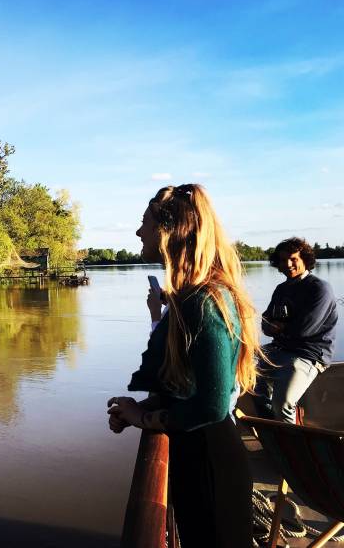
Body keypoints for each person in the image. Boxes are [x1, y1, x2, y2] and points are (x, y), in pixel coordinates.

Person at [107, 184, 259, 548]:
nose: (138, 232)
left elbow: (211, 403)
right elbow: (187, 386)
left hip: (210, 462)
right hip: (201, 454)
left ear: (168, 231)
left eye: (144, 223)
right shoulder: (195, 295)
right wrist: (139, 409)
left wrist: (142, 419)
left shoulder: (203, 300)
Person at [254, 237, 338, 423]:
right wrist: (276, 327)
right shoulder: (281, 289)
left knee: (282, 403)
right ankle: (274, 432)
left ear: (304, 260)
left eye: (293, 259)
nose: (288, 264)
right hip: (280, 349)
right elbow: (266, 323)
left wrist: (279, 327)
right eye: (283, 260)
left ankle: (291, 446)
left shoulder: (319, 288)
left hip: (308, 354)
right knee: (248, 377)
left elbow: (304, 329)